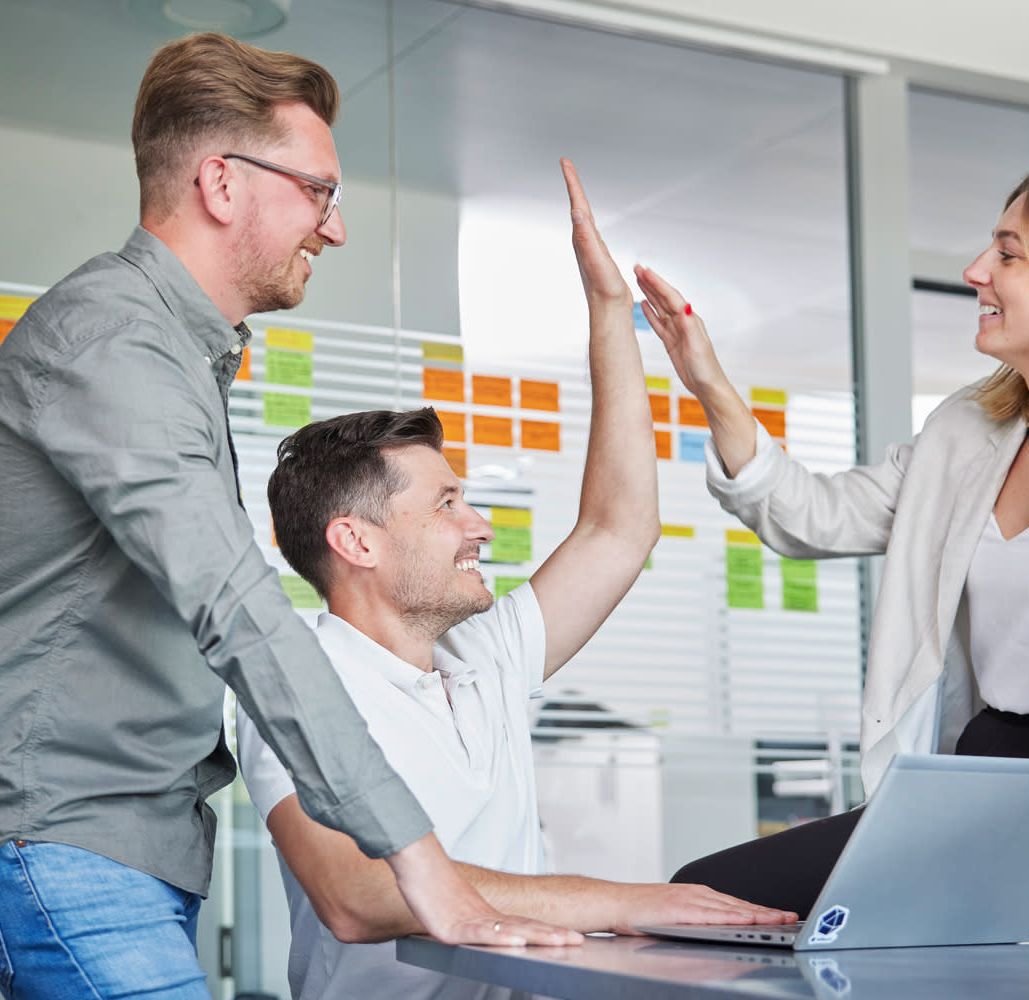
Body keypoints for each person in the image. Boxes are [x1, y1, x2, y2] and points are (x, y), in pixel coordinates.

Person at [0, 32, 574, 1000]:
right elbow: (235, 605)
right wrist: (422, 864)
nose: (333, 228)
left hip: (122, 842)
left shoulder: (180, 357)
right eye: (318, 191)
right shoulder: (113, 340)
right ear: (222, 183)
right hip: (48, 831)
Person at [637, 166, 1029, 942]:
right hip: (976, 777)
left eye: (1008, 254)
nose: (976, 272)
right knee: (698, 898)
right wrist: (709, 382)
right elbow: (808, 517)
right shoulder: (968, 427)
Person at [236, 159, 793, 1000]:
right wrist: (621, 903)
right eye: (448, 503)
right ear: (355, 540)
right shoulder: (297, 686)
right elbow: (356, 894)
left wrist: (611, 315)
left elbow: (619, 528)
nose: (481, 525)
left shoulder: (481, 653)